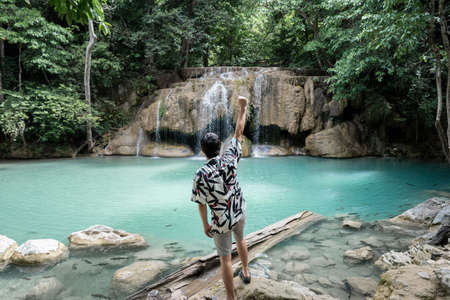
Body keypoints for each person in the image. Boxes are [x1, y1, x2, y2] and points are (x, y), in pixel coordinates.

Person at [191, 95, 251, 300]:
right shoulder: (229, 158)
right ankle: (246, 271)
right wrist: (242, 109)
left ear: (202, 151)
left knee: (225, 259)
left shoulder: (200, 174)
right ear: (220, 147)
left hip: (220, 220)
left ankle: (230, 298)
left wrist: (205, 224)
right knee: (241, 240)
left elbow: (200, 202)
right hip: (238, 210)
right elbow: (239, 133)